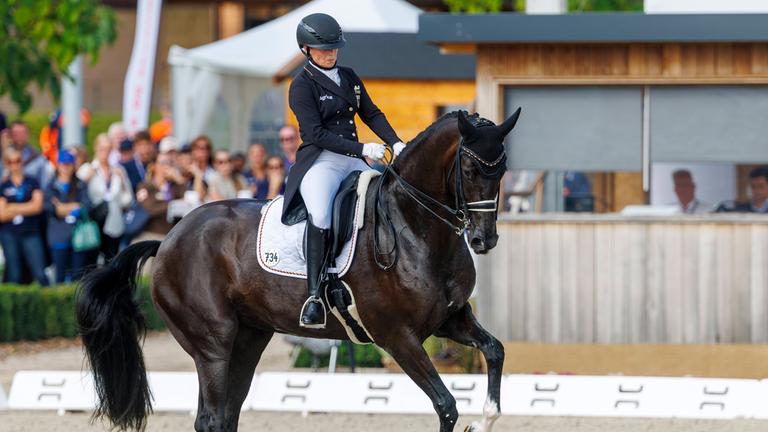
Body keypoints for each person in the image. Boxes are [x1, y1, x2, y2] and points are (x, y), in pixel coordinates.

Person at [285, 13, 406, 328]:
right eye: (323, 49)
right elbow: (315, 134)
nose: (331, 54)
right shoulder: (301, 85)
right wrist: (363, 149)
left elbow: (371, 113)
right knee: (321, 214)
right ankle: (314, 295)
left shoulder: (349, 77)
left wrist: (396, 142)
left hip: (353, 158)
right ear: (306, 49)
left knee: (388, 198)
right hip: (321, 160)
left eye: (334, 48)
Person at [77, 133, 134, 259]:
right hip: (94, 221)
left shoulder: (118, 170)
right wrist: (86, 180)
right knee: (93, 258)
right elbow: (76, 193)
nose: (105, 153)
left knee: (111, 258)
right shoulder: (87, 169)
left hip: (114, 221)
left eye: (108, 149)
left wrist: (122, 183)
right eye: (102, 149)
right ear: (95, 148)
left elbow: (128, 200)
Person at [0, 148, 49, 286]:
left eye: (18, 161)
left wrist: (12, 207)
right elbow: (2, 215)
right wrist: (28, 206)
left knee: (40, 272)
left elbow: (37, 207)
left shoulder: (32, 181)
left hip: (30, 231)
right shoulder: (4, 185)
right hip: (10, 233)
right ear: (6, 164)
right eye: (11, 162)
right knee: (14, 273)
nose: (15, 165)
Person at [44, 151, 93, 283]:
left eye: (69, 164)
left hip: (78, 236)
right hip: (58, 235)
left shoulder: (80, 184)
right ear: (58, 165)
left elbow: (87, 206)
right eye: (63, 164)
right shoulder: (51, 185)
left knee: (78, 276)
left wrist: (62, 207)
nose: (66, 167)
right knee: (60, 276)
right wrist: (74, 206)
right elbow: (50, 209)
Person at [134, 152, 186, 239]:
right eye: (163, 163)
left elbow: (186, 200)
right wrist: (172, 205)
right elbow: (149, 209)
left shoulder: (174, 186)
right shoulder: (145, 186)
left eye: (169, 163)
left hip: (171, 235)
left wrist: (179, 179)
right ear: (154, 166)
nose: (167, 166)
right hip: (151, 233)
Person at [8, 120, 54, 187]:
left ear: (27, 134)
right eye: (16, 134)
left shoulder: (38, 158)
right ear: (11, 135)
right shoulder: (3, 156)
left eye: (22, 133)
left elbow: (45, 183)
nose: (19, 136)